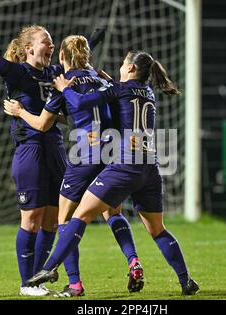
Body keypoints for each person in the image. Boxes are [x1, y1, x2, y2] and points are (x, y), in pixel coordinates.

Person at [24, 50, 199, 295]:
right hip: (150, 167)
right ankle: (186, 281)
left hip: (124, 165)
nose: (120, 65)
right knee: (157, 229)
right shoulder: (147, 92)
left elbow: (80, 103)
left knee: (79, 215)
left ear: (130, 69)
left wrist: (64, 88)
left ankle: (50, 268)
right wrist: (108, 81)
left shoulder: (120, 89)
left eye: (123, 62)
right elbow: (123, 93)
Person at [0, 25, 106, 296]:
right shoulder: (18, 72)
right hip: (29, 148)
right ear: (29, 48)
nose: (52, 46)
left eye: (53, 43)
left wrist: (93, 39)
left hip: (55, 148)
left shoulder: (55, 73)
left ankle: (37, 280)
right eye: (46, 42)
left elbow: (73, 57)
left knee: (52, 221)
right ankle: (25, 283)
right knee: (31, 219)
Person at [3, 35, 144, 297]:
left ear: (61, 58)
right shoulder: (103, 81)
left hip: (85, 154)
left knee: (64, 219)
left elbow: (43, 124)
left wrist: (20, 112)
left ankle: (75, 283)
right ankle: (133, 260)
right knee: (112, 212)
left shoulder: (64, 84)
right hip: (113, 154)